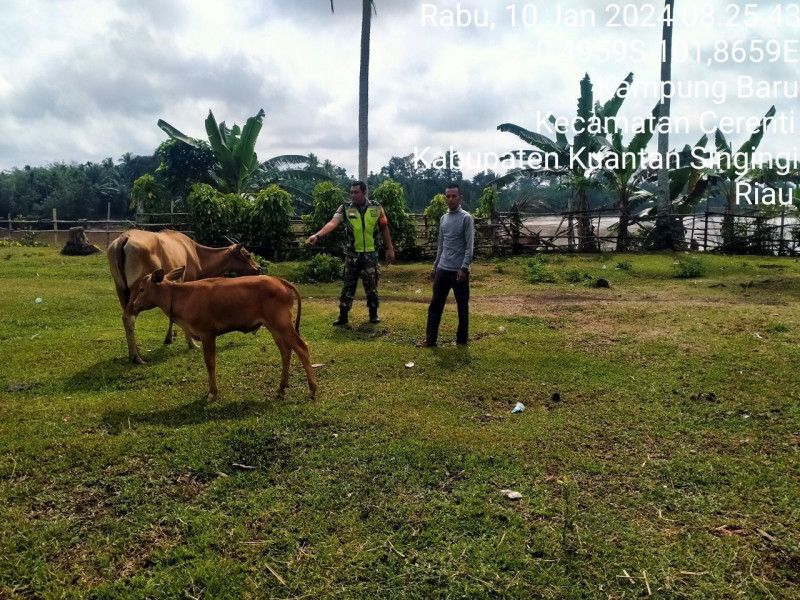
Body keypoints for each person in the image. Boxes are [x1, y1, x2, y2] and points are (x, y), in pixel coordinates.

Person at [306, 181, 395, 326]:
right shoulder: (345, 208)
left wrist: (389, 249)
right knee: (348, 285)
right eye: (351, 192)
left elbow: (384, 228)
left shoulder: (376, 207)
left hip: (370, 255)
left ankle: (373, 314)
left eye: (356, 192)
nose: (352, 195)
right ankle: (343, 316)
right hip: (352, 254)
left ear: (364, 193)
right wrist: (317, 235)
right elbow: (333, 223)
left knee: (371, 286)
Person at [422, 184, 474, 347]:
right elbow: (441, 246)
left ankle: (461, 340)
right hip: (442, 270)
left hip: (458, 272)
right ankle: (430, 340)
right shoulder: (443, 219)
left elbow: (469, 246)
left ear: (460, 198)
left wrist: (464, 268)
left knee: (462, 307)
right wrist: (435, 267)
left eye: (454, 196)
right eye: (448, 196)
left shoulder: (466, 218)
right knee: (435, 305)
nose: (450, 199)